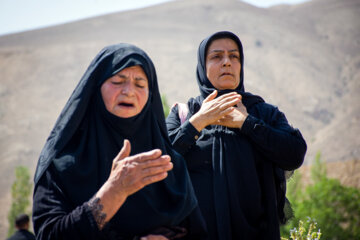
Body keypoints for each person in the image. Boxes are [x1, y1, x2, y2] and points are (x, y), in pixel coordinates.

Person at [32, 43, 206, 240]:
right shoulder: (63, 162)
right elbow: (48, 235)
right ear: (95, 89)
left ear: (150, 96)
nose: (129, 91)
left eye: (140, 84)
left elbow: (198, 233)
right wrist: (114, 191)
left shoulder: (168, 165)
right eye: (118, 81)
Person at [166, 31, 307, 240]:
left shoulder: (262, 113)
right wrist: (199, 121)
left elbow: (295, 153)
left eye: (234, 56)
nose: (227, 63)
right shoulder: (184, 114)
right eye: (216, 57)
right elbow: (162, 159)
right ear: (202, 67)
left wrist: (247, 123)